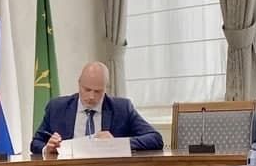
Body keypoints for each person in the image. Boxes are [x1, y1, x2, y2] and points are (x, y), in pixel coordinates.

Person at [30, 62, 163, 156]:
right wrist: (47, 148)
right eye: (87, 90)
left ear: (106, 88)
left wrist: (116, 144)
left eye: (98, 91)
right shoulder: (57, 107)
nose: (91, 97)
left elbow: (155, 138)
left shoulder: (122, 108)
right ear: (79, 84)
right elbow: (36, 143)